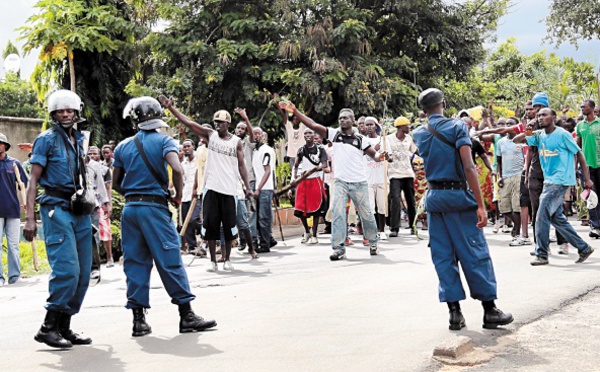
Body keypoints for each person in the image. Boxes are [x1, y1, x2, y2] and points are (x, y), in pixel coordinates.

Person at [113, 96, 216, 336]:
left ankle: (138, 321)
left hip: (131, 210)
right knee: (169, 257)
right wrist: (178, 195)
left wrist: (133, 193)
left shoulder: (122, 146)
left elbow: (116, 183)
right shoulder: (164, 141)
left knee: (135, 262)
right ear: (159, 117)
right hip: (154, 209)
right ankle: (186, 315)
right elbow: (178, 169)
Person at [412, 88, 513, 331]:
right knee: (474, 253)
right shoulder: (457, 127)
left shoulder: (418, 133)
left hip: (435, 197)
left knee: (443, 256)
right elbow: (469, 166)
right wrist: (480, 204)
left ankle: (454, 314)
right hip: (458, 196)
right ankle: (490, 310)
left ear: (423, 110)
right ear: (443, 104)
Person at [24, 90, 94, 348]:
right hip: (56, 208)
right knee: (67, 270)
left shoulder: (78, 140)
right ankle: (48, 327)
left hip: (79, 210)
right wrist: (30, 219)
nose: (66, 114)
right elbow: (32, 181)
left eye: (70, 111)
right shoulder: (46, 140)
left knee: (84, 273)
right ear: (53, 115)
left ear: (77, 113)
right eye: (60, 111)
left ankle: (64, 326)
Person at [280, 102, 387, 260]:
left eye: (345, 118)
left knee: (366, 214)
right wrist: (295, 111)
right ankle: (338, 248)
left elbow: (374, 155)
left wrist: (381, 156)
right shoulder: (334, 135)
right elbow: (314, 125)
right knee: (337, 213)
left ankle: (373, 242)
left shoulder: (360, 139)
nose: (342, 120)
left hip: (359, 182)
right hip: (340, 182)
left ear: (353, 120)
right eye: (340, 118)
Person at [160, 96, 253, 271]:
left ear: (228, 124)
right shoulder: (210, 136)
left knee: (228, 226)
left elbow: (242, 165)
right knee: (210, 225)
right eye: (216, 122)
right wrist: (171, 108)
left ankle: (227, 259)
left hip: (229, 189)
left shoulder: (236, 142)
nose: (218, 125)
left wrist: (247, 187)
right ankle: (213, 261)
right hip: (211, 188)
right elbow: (189, 123)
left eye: (221, 122)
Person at [513, 108, 595, 265]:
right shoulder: (539, 135)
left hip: (560, 180)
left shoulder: (562, 134)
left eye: (544, 115)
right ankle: (583, 248)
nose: (540, 117)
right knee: (556, 218)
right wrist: (529, 128)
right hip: (549, 181)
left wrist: (587, 178)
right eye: (539, 115)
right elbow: (517, 140)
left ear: (553, 117)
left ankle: (541, 253)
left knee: (541, 215)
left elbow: (579, 154)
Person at [292, 128, 329, 244]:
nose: (308, 135)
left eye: (310, 133)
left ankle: (314, 234)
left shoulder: (320, 149)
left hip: (315, 180)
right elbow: (296, 165)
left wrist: (315, 169)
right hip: (303, 181)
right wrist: (294, 178)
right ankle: (307, 231)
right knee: (300, 208)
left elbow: (324, 164)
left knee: (316, 209)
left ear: (314, 135)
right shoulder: (301, 150)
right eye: (306, 133)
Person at [0, 133, 28, 286]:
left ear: (5, 146)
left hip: (12, 210)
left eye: (0, 143)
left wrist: (26, 202)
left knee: (13, 245)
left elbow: (24, 184)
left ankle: (14, 276)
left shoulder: (14, 164)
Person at [496, 119, 528, 246]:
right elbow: (499, 161)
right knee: (503, 206)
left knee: (516, 205)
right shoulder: (500, 142)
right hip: (506, 176)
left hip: (518, 174)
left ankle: (518, 231)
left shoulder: (521, 141)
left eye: (511, 124)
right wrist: (500, 176)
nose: (508, 126)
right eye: (506, 124)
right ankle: (516, 224)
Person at [387, 117, 418, 236]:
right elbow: (386, 153)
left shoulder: (409, 139)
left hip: (407, 173)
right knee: (395, 199)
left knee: (410, 200)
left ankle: (413, 225)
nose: (409, 128)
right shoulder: (389, 139)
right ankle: (394, 228)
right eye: (407, 126)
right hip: (394, 173)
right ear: (400, 127)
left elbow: (415, 151)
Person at [576, 100, 600, 237]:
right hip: (587, 167)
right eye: (581, 107)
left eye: (584, 107)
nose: (582, 109)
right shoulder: (580, 126)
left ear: (591, 108)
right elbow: (577, 147)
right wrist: (575, 166)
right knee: (591, 197)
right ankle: (595, 226)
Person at [251, 127, 277, 253]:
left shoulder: (266, 150)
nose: (256, 136)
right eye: (254, 134)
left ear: (263, 136)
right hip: (259, 187)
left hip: (265, 188)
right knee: (258, 217)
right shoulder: (255, 151)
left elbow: (268, 171)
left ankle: (265, 244)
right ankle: (267, 239)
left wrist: (259, 188)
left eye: (258, 134)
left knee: (263, 217)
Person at [364, 117, 389, 239]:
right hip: (368, 179)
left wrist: (386, 156)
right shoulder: (362, 140)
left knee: (382, 205)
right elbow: (360, 154)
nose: (369, 127)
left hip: (381, 178)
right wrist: (375, 149)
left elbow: (390, 158)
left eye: (371, 124)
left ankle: (382, 230)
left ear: (376, 126)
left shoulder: (383, 140)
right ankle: (373, 231)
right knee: (370, 207)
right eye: (366, 125)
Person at [180, 139, 202, 253]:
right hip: (185, 195)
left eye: (188, 146)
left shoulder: (198, 161)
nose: (186, 148)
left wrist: (196, 189)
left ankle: (206, 234)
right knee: (186, 221)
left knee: (194, 219)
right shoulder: (182, 164)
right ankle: (192, 246)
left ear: (193, 147)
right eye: (184, 147)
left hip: (196, 194)